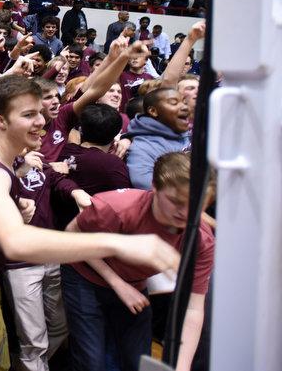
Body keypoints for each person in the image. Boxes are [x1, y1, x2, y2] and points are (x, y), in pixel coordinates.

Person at [0, 75, 181, 371]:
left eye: (40, 112)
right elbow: (17, 242)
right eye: (28, 115)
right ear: (0, 120)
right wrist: (121, 242)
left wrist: (13, 209)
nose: (40, 121)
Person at [62, 152, 214, 371]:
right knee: (91, 362)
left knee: (138, 360)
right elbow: (72, 235)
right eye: (175, 202)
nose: (185, 213)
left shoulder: (201, 239)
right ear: (154, 188)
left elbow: (194, 308)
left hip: (134, 283)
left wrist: (181, 367)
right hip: (84, 274)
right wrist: (118, 284)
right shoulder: (117, 207)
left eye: (194, 204)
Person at [123, 87, 191, 190]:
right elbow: (143, 182)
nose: (185, 107)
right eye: (174, 103)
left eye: (184, 102)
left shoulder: (187, 133)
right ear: (153, 111)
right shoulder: (143, 147)